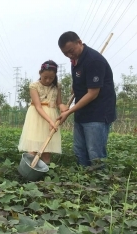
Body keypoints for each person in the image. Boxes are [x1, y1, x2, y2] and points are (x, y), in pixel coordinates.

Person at [57, 31, 116, 168]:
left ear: (79, 42)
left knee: (95, 154)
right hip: (82, 113)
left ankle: (100, 186)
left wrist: (68, 112)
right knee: (79, 151)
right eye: (66, 54)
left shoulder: (93, 60)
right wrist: (75, 85)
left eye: (71, 51)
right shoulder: (75, 60)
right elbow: (81, 78)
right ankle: (83, 184)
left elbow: (92, 93)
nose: (70, 55)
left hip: (98, 114)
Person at [18, 60, 67, 164]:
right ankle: (29, 168)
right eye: (45, 77)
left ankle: (45, 170)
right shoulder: (34, 86)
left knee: (47, 147)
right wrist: (50, 121)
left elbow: (59, 103)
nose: (48, 80)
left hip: (52, 116)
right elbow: (38, 106)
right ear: (40, 73)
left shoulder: (57, 86)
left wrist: (62, 106)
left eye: (51, 78)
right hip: (37, 117)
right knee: (33, 146)